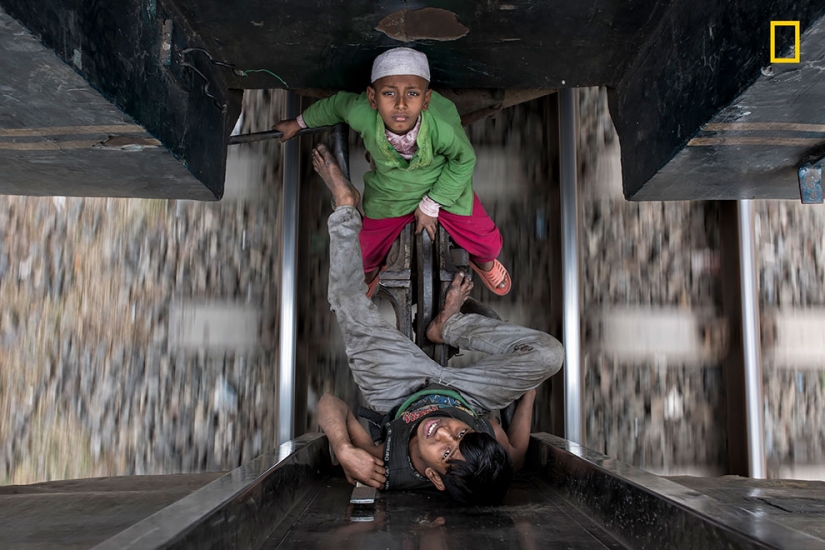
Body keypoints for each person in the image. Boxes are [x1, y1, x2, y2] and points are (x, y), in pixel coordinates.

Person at [311, 142, 564, 505]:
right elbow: (518, 455)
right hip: (465, 391)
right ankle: (447, 326)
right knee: (550, 355)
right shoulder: (487, 446)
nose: (444, 432)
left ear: (435, 479)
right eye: (460, 436)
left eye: (446, 454)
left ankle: (345, 205)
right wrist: (529, 390)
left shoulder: (388, 467)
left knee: (349, 305)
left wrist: (343, 449)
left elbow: (328, 403)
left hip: (398, 389)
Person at [275, 47, 512, 297]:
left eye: (412, 94)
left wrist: (431, 205)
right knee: (363, 254)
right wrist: (297, 123)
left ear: (426, 100)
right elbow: (335, 106)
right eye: (389, 93)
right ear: (372, 98)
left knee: (488, 244)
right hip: (390, 193)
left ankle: (485, 263)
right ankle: (368, 274)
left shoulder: (441, 126)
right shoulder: (361, 112)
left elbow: (464, 160)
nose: (401, 104)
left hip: (443, 187)